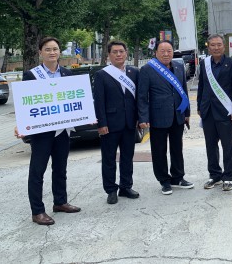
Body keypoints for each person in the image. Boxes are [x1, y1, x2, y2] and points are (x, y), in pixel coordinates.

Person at [14, 37, 80, 226]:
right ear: (40, 52)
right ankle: (37, 211)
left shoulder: (67, 73)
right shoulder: (31, 75)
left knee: (60, 167)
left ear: (60, 52)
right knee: (37, 171)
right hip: (41, 132)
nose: (52, 52)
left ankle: (60, 202)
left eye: (55, 49)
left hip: (62, 130)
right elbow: (25, 102)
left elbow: (74, 99)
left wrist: (85, 116)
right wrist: (21, 123)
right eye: (48, 49)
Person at [138, 40, 193, 195]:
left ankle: (178, 177)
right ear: (156, 52)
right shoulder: (147, 69)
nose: (166, 54)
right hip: (157, 116)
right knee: (159, 150)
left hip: (177, 115)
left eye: (169, 50)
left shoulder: (179, 66)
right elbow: (142, 96)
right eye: (162, 51)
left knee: (177, 148)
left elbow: (184, 91)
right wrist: (143, 117)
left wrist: (187, 113)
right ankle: (164, 180)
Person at [93, 40, 140, 204]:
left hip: (129, 123)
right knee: (109, 159)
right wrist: (101, 123)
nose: (118, 54)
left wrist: (139, 118)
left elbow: (138, 98)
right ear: (109, 55)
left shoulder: (134, 72)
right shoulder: (102, 75)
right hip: (110, 124)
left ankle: (126, 187)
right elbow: (99, 101)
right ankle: (111, 190)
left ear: (126, 53)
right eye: (115, 52)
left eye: (121, 51)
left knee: (127, 157)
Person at [197, 34, 232, 191]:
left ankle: (228, 177)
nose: (216, 48)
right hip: (208, 111)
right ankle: (214, 175)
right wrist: (199, 106)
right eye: (213, 45)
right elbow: (201, 86)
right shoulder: (204, 64)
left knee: (227, 146)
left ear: (224, 46)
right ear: (208, 47)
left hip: (225, 112)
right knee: (210, 146)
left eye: (219, 44)